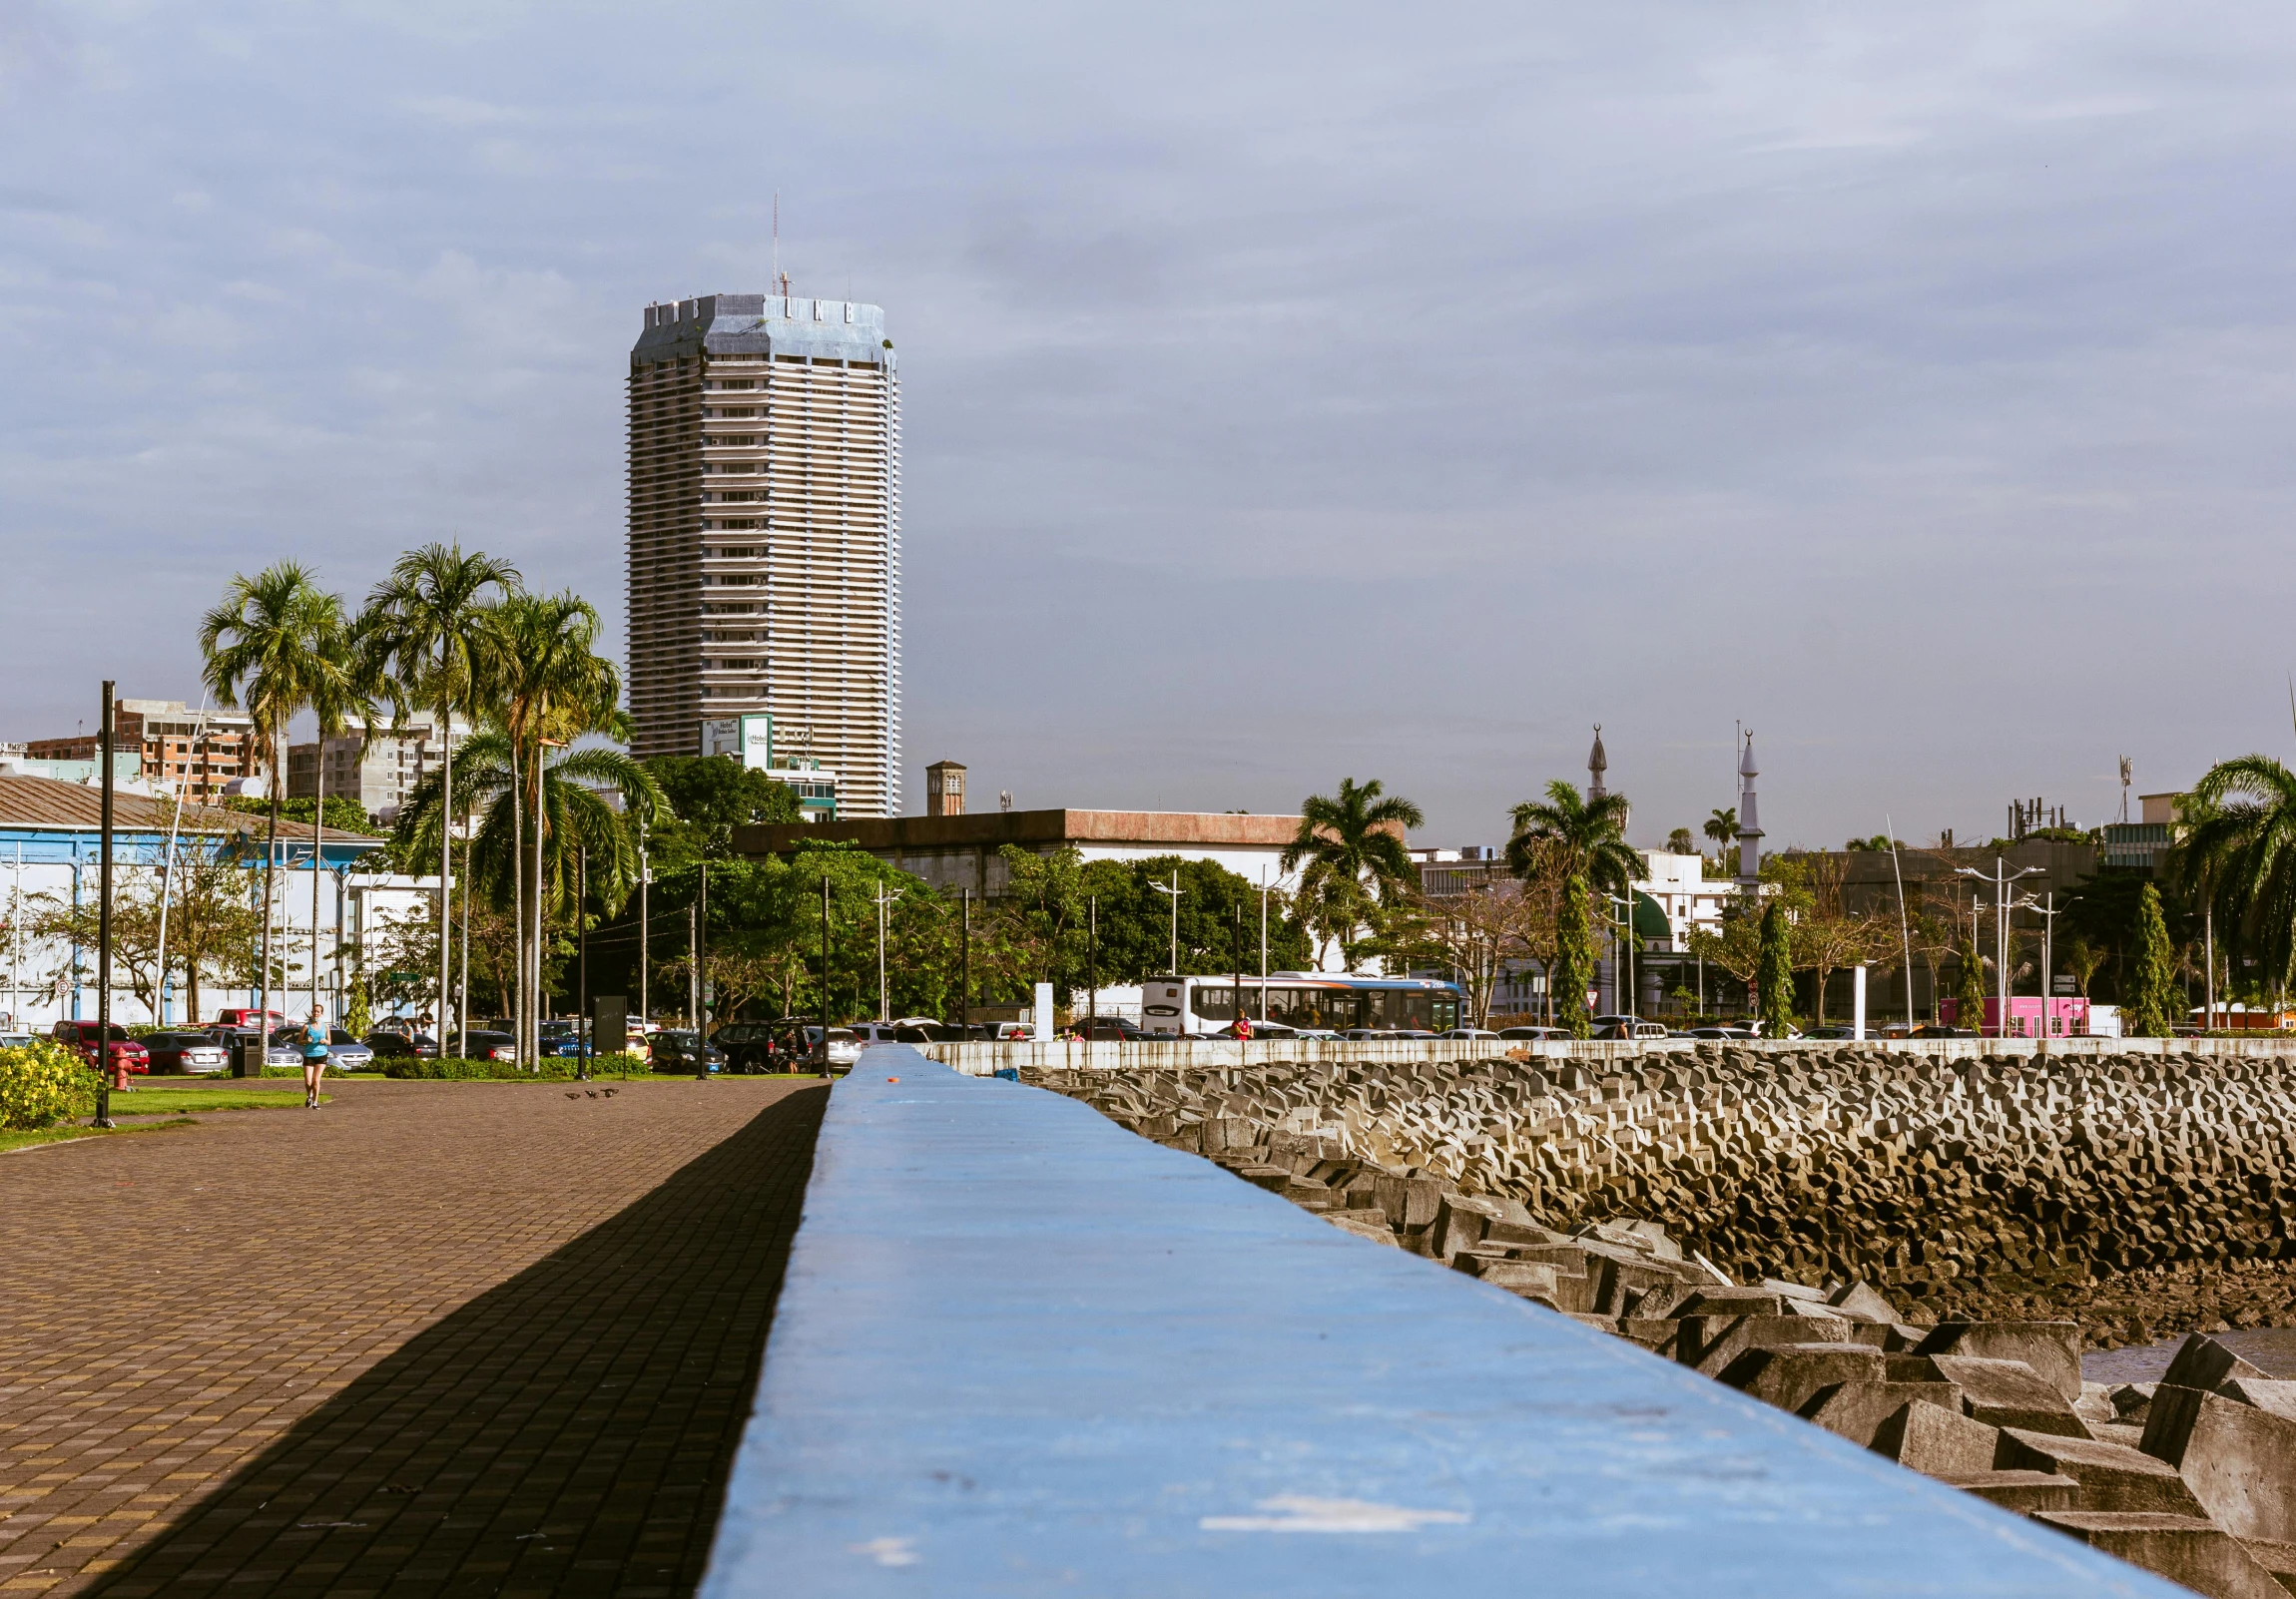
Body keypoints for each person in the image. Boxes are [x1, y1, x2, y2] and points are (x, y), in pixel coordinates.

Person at [300, 1005, 331, 1109]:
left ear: (321, 1013)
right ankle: (309, 1096)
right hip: (309, 1055)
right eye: (314, 1011)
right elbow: (299, 1041)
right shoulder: (306, 1026)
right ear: (312, 1013)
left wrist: (325, 1041)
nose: (316, 1013)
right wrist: (306, 1041)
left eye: (318, 1012)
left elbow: (329, 1042)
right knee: (309, 1082)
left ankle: (315, 1102)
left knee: (316, 1080)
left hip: (321, 1055)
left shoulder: (325, 1026)